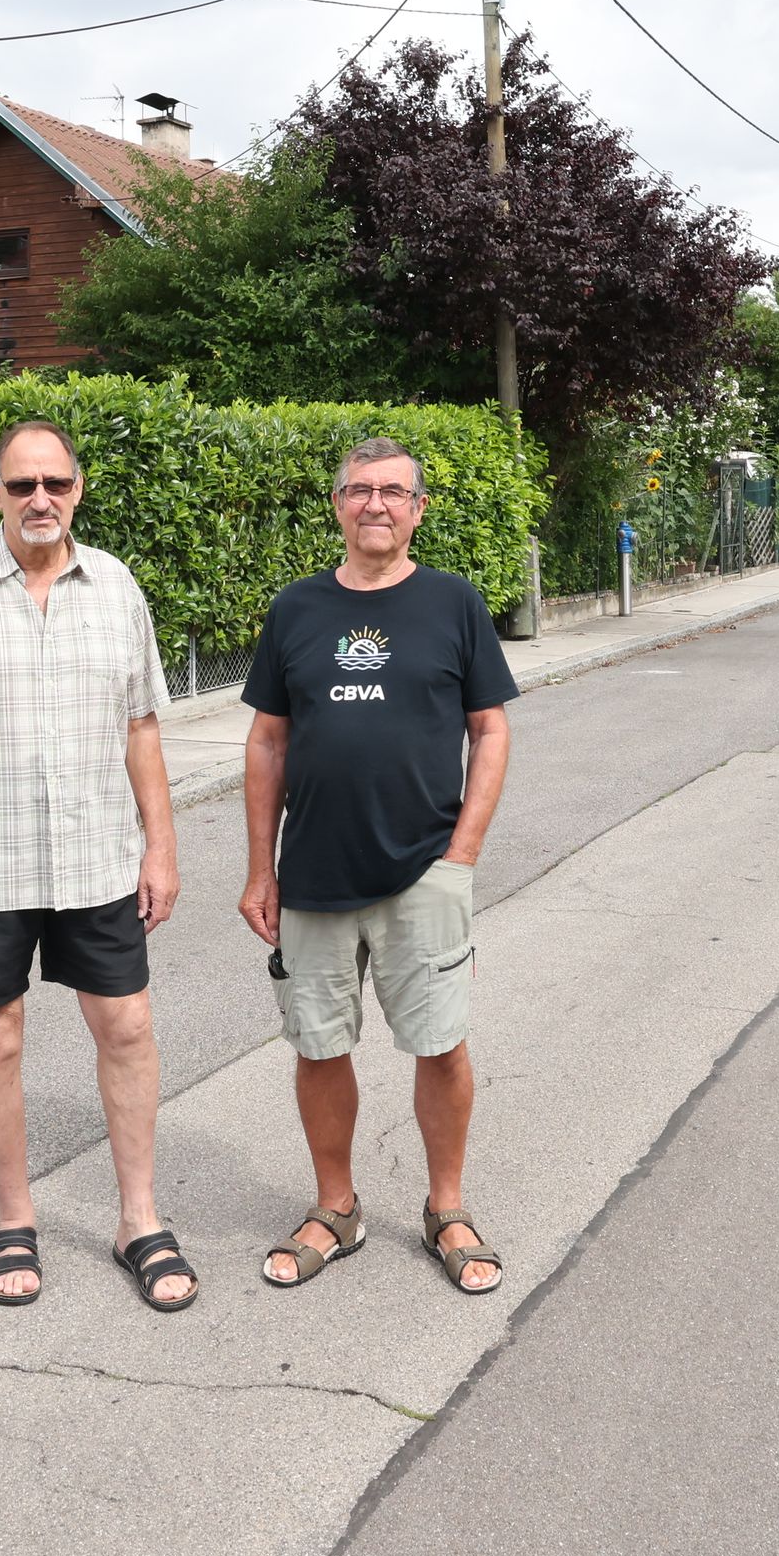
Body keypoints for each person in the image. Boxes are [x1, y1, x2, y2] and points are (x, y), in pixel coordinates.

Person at [0, 419, 197, 1313]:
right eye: (22, 484)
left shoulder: (116, 586)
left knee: (126, 1026)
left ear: (77, 489)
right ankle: (14, 1217)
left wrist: (161, 845)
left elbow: (141, 727)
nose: (40, 498)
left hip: (98, 858)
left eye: (55, 482)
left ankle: (138, 1217)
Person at [239, 435, 518, 1296]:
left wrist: (462, 854)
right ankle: (337, 1208)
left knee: (441, 1044)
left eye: (394, 492)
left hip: (425, 870)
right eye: (360, 490)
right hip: (313, 875)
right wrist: (260, 869)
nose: (376, 504)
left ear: (418, 509)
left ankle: (447, 1207)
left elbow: (490, 730)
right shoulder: (296, 607)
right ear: (338, 505)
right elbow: (268, 741)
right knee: (319, 1046)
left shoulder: (453, 602)